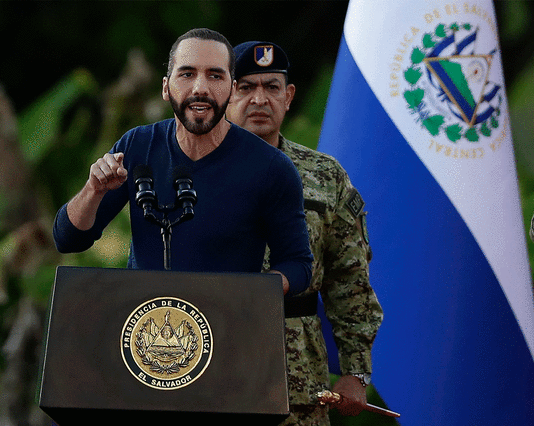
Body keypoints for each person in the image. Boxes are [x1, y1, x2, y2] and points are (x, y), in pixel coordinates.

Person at [53, 29, 313, 298]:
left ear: (232, 89)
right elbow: (68, 239)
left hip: (227, 327)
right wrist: (93, 190)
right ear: (166, 88)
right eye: (187, 74)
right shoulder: (138, 145)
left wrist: (245, 293)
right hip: (145, 328)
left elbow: (298, 265)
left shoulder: (271, 167)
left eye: (215, 75)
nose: (200, 88)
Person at [226, 41, 384, 426]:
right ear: (225, 95)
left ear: (289, 96)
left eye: (271, 87)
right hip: (214, 358)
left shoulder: (324, 176)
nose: (259, 99)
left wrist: (355, 371)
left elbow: (350, 279)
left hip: (296, 373)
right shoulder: (193, 168)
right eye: (245, 88)